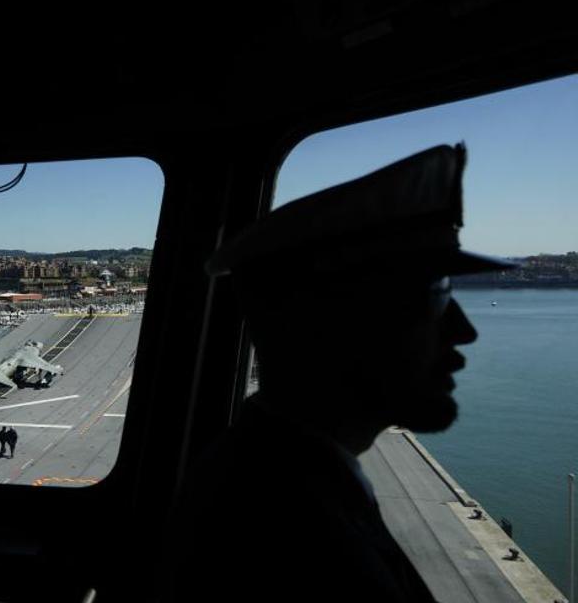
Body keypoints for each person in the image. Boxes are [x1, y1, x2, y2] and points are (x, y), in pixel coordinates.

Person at [172, 144, 515, 602]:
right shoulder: (293, 539)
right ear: (322, 322)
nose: (464, 331)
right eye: (433, 293)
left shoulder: (276, 483)